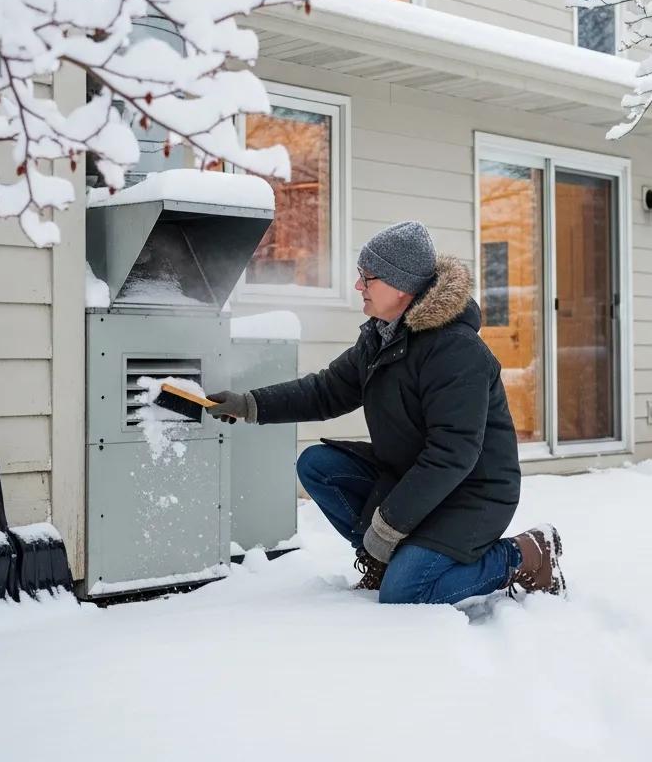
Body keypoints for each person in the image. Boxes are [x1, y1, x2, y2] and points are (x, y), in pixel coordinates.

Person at [209, 220, 565, 604]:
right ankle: (384, 561)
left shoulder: (456, 352)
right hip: (412, 477)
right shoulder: (383, 336)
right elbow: (326, 391)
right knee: (318, 464)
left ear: (400, 285)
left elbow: (452, 455)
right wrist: (250, 404)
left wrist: (390, 523)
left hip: (471, 493)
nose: (359, 286)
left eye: (367, 277)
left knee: (407, 591)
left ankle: (526, 554)